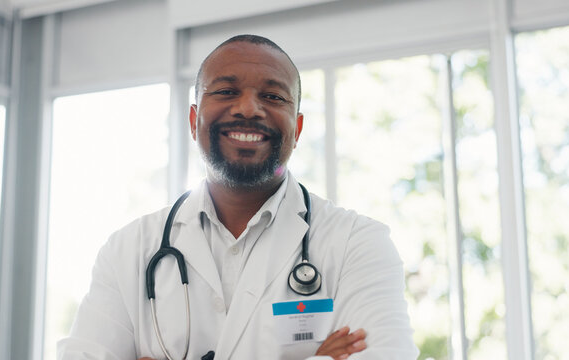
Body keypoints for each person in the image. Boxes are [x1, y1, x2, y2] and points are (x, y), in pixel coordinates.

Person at [57, 34, 418, 360]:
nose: (248, 108)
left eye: (273, 96)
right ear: (193, 120)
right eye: (227, 91)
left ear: (298, 128)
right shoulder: (128, 251)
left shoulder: (359, 243)